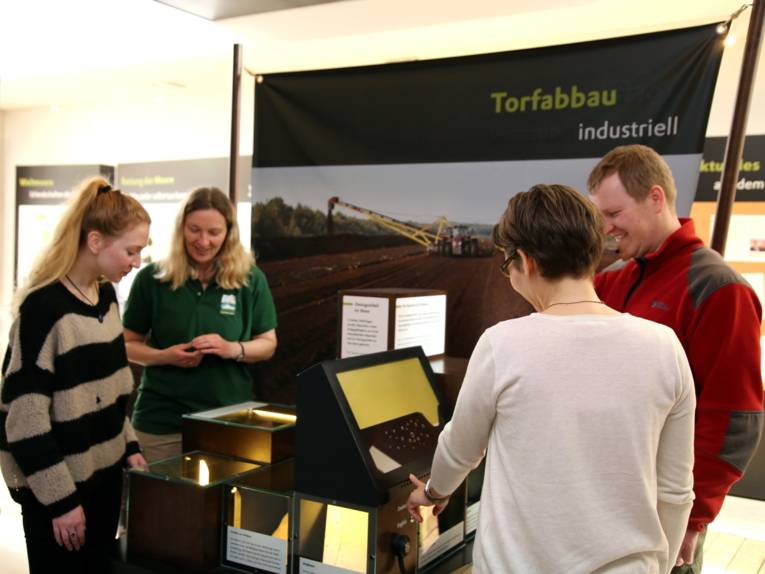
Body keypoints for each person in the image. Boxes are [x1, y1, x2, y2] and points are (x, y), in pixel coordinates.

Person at [407, 184, 696, 573]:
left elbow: (461, 449)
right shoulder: (665, 347)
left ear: (524, 261)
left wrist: (433, 492)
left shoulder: (502, 345)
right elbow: (676, 492)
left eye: (506, 263)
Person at [587, 144, 764, 573]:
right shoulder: (610, 279)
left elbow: (734, 418)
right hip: (603, 500)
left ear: (655, 198)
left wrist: (694, 516)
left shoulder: (720, 290)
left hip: (666, 512)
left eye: (613, 214)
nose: (606, 229)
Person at [0, 177, 151, 574]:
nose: (136, 262)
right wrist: (62, 503)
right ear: (96, 241)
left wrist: (130, 445)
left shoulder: (105, 298)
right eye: (131, 251)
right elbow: (25, 422)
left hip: (103, 487)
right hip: (59, 499)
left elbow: (114, 392)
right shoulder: (43, 310)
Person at [122, 187, 277, 462]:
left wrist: (233, 349)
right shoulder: (152, 278)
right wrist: (163, 356)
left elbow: (268, 344)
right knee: (159, 501)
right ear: (181, 228)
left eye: (214, 232)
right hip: (161, 422)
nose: (203, 241)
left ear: (229, 233)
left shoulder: (250, 279)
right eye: (194, 229)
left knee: (225, 504)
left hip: (228, 420)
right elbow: (126, 344)